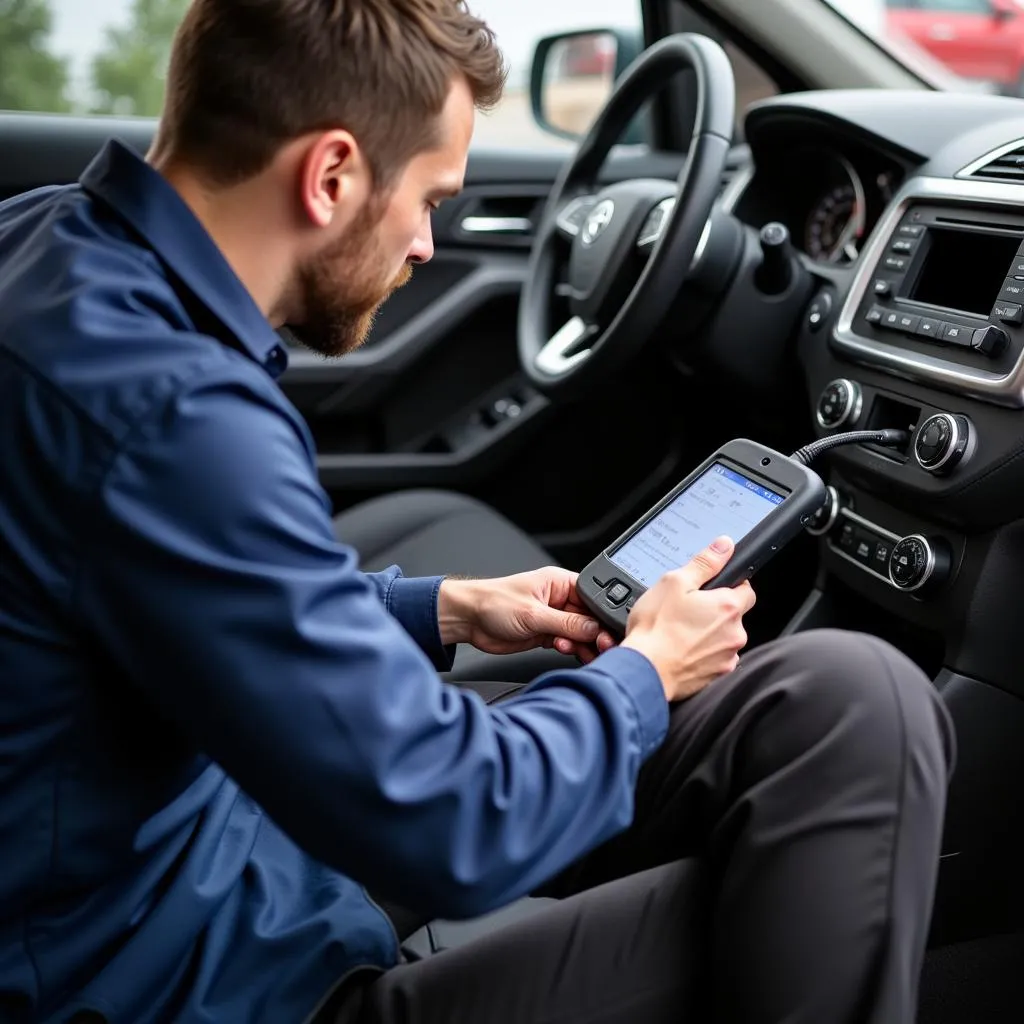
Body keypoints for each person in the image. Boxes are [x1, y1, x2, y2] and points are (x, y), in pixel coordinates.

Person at [0, 2, 955, 1022]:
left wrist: (442, 609)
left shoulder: (45, 244)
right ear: (329, 175)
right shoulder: (171, 413)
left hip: (228, 848)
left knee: (837, 700)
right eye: (428, 200)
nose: (423, 244)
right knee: (860, 745)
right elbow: (452, 823)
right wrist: (647, 670)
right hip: (188, 979)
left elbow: (178, 606)